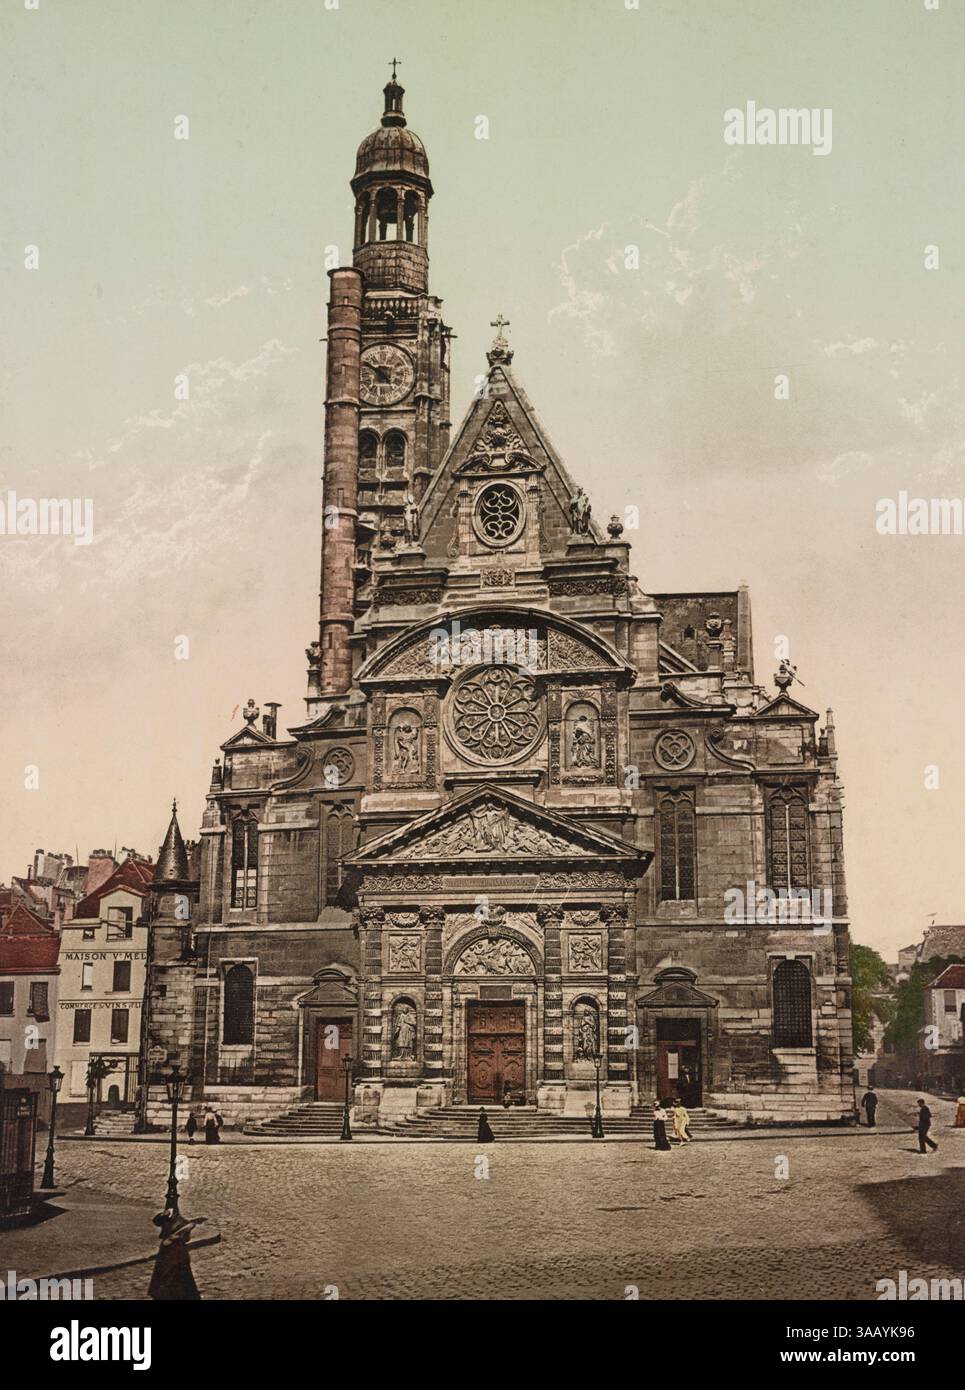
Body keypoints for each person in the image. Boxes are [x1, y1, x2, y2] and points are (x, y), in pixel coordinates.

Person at [147, 1209, 206, 1301]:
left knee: (174, 1273)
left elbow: (185, 1237)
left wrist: (177, 1236)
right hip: (173, 1252)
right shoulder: (170, 1219)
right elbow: (157, 1221)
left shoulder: (174, 1221)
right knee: (171, 1273)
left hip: (175, 1251)